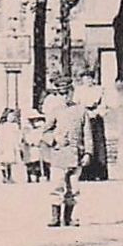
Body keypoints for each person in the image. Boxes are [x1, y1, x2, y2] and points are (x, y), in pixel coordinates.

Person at [41, 81, 86, 228]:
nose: (65, 96)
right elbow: (45, 131)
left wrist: (88, 153)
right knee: (57, 186)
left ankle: (69, 217)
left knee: (74, 187)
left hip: (75, 155)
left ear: (72, 92)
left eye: (67, 92)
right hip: (59, 154)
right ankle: (55, 217)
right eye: (61, 93)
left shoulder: (81, 111)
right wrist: (54, 139)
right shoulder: (55, 111)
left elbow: (88, 135)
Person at [77, 76, 110, 182]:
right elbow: (76, 104)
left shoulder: (99, 90)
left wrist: (98, 112)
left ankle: (100, 172)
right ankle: (86, 173)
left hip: (96, 118)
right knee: (86, 144)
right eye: (85, 79)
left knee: (98, 144)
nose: (88, 81)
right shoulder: (79, 90)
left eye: (89, 79)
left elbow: (104, 104)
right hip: (84, 116)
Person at [0, 108, 23, 184]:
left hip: (11, 144)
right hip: (4, 144)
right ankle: (4, 176)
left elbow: (18, 135)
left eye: (13, 116)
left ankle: (10, 176)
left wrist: (18, 143)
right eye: (10, 116)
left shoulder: (15, 126)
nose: (12, 118)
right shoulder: (2, 126)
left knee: (10, 160)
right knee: (3, 161)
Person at [22, 112, 46, 182]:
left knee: (37, 162)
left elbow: (41, 136)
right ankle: (29, 176)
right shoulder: (27, 129)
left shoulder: (40, 128)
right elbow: (26, 137)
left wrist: (38, 142)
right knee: (29, 163)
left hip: (37, 147)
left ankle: (37, 176)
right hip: (29, 148)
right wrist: (30, 142)